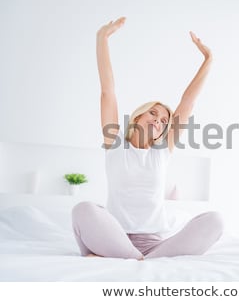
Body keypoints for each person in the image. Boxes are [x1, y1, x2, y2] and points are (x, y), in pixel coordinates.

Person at [71, 17, 224, 260]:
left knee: (215, 220)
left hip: (155, 244)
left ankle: (135, 259)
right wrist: (102, 38)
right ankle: (131, 257)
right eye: (153, 112)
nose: (158, 120)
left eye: (164, 120)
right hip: (114, 237)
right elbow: (107, 91)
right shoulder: (115, 143)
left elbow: (187, 103)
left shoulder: (161, 151)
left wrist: (209, 59)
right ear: (138, 116)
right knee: (83, 209)